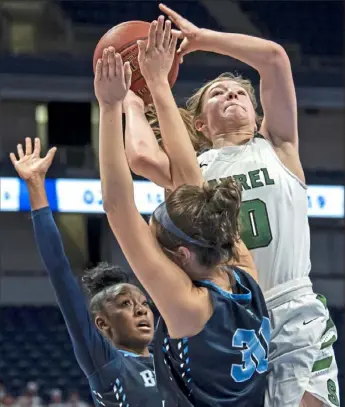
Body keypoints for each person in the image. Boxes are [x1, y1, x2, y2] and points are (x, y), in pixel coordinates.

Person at [124, 5, 340, 407]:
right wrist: (131, 100)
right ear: (201, 123)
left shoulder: (278, 145)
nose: (232, 94)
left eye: (241, 92)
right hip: (235, 312)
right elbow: (139, 157)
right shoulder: (194, 168)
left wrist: (204, 40)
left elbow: (274, 59)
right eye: (218, 93)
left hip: (295, 306)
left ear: (257, 113)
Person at [94, 25, 270, 406]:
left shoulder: (189, 306)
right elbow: (190, 181)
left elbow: (119, 208)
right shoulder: (243, 276)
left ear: (181, 256)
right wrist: (156, 83)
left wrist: (110, 108)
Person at [9, 137, 165, 407]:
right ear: (102, 324)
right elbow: (59, 271)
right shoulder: (107, 363)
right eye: (126, 305)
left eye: (143, 303)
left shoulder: (170, 361)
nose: (142, 311)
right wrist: (36, 186)